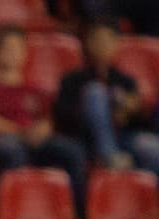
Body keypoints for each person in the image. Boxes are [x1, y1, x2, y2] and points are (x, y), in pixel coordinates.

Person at [0, 28, 89, 219]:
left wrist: (42, 130)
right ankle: (11, 214)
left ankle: (79, 215)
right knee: (13, 151)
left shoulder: (34, 89)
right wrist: (18, 131)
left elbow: (47, 120)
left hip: (34, 140)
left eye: (19, 49)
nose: (14, 54)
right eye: (9, 49)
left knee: (73, 151)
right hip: (6, 140)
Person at [54, 18, 159, 174]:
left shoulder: (125, 81)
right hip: (85, 138)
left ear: (116, 44)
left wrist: (129, 112)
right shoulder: (72, 79)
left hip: (122, 137)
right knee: (95, 92)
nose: (102, 45)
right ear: (87, 43)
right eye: (97, 39)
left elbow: (141, 122)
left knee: (151, 147)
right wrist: (90, 110)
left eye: (107, 40)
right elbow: (63, 116)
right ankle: (110, 157)